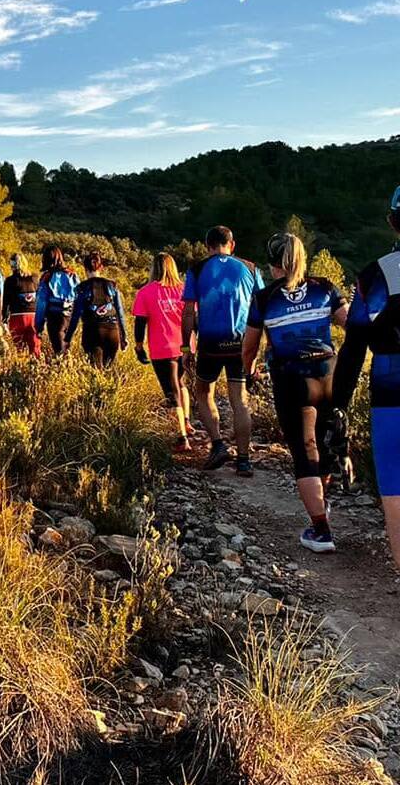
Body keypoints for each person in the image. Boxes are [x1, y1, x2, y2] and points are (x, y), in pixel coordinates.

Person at [243, 233, 347, 553]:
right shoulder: (325, 288)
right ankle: (322, 505)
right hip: (328, 373)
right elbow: (351, 325)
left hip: (291, 377)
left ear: (273, 263)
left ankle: (321, 530)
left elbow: (249, 347)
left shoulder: (264, 298)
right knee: (324, 446)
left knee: (304, 452)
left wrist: (248, 372)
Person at [329, 185, 400, 574]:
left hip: (390, 386)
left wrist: (337, 402)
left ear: (392, 220)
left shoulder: (375, 275)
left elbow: (355, 345)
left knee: (394, 483)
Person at [181, 226, 263, 476]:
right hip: (241, 343)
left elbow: (187, 312)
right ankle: (244, 460)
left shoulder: (197, 269)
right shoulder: (251, 268)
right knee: (240, 401)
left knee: (204, 391)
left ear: (208, 246)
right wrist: (259, 350)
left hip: (210, 344)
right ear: (232, 244)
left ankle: (218, 444)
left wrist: (186, 346)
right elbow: (262, 309)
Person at [133, 252, 193, 452]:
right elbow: (194, 319)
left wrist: (139, 345)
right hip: (186, 346)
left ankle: (181, 437)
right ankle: (186, 420)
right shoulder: (184, 290)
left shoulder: (145, 292)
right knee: (180, 383)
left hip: (163, 348)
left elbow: (140, 322)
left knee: (171, 391)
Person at [64, 251, 127, 367]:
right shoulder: (112, 285)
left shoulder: (82, 288)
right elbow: (120, 312)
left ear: (85, 268)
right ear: (101, 268)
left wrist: (67, 339)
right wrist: (124, 336)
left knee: (95, 370)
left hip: (92, 331)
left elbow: (75, 316)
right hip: (112, 332)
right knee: (108, 369)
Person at [35, 246, 79, 356]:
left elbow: (41, 303)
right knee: (66, 350)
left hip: (54, 318)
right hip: (70, 317)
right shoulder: (72, 274)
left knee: (59, 352)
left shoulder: (47, 277)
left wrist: (39, 326)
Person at [3, 253, 41, 357]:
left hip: (16, 317)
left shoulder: (10, 281)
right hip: (33, 316)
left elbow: (6, 302)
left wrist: (4, 320)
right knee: (35, 347)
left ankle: (20, 368)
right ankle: (37, 368)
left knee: (19, 348)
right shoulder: (35, 278)